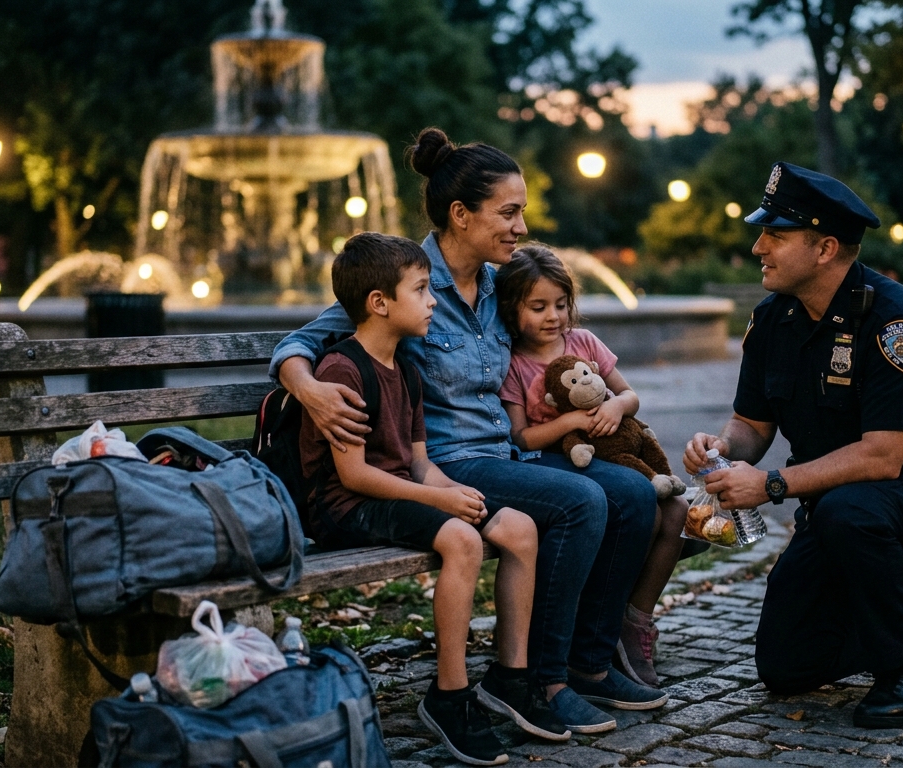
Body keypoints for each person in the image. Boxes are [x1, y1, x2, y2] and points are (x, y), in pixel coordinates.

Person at [270, 127, 667, 737]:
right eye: (508, 213)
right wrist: (308, 387)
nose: (520, 228)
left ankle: (589, 664)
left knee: (635, 494)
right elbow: (305, 340)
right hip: (449, 461)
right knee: (582, 501)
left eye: (522, 214)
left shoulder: (497, 283)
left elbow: (550, 339)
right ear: (461, 214)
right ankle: (542, 678)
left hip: (508, 451)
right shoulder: (407, 279)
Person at [683, 162, 903, 729]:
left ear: (825, 249)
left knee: (851, 512)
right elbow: (753, 425)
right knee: (785, 667)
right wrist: (720, 448)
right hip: (839, 509)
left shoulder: (895, 321)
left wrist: (769, 485)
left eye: (776, 234)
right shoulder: (773, 319)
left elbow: (882, 457)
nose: (757, 246)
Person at [300, 232, 541, 764]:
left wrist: (454, 491)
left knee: (517, 527)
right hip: (345, 507)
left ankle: (512, 678)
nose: (434, 301)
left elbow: (420, 463)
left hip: (393, 494)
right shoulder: (343, 369)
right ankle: (450, 695)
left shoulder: (406, 368)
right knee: (460, 538)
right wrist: (441, 505)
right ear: (379, 303)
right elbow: (356, 476)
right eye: (420, 291)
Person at [495, 244, 687, 688]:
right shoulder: (515, 365)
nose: (553, 316)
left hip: (610, 454)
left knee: (677, 512)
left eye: (561, 305)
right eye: (538, 306)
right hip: (555, 460)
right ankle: (599, 627)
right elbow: (520, 437)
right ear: (512, 308)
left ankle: (633, 620)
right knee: (643, 507)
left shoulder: (583, 343)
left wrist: (617, 408)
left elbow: (629, 395)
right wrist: (570, 421)